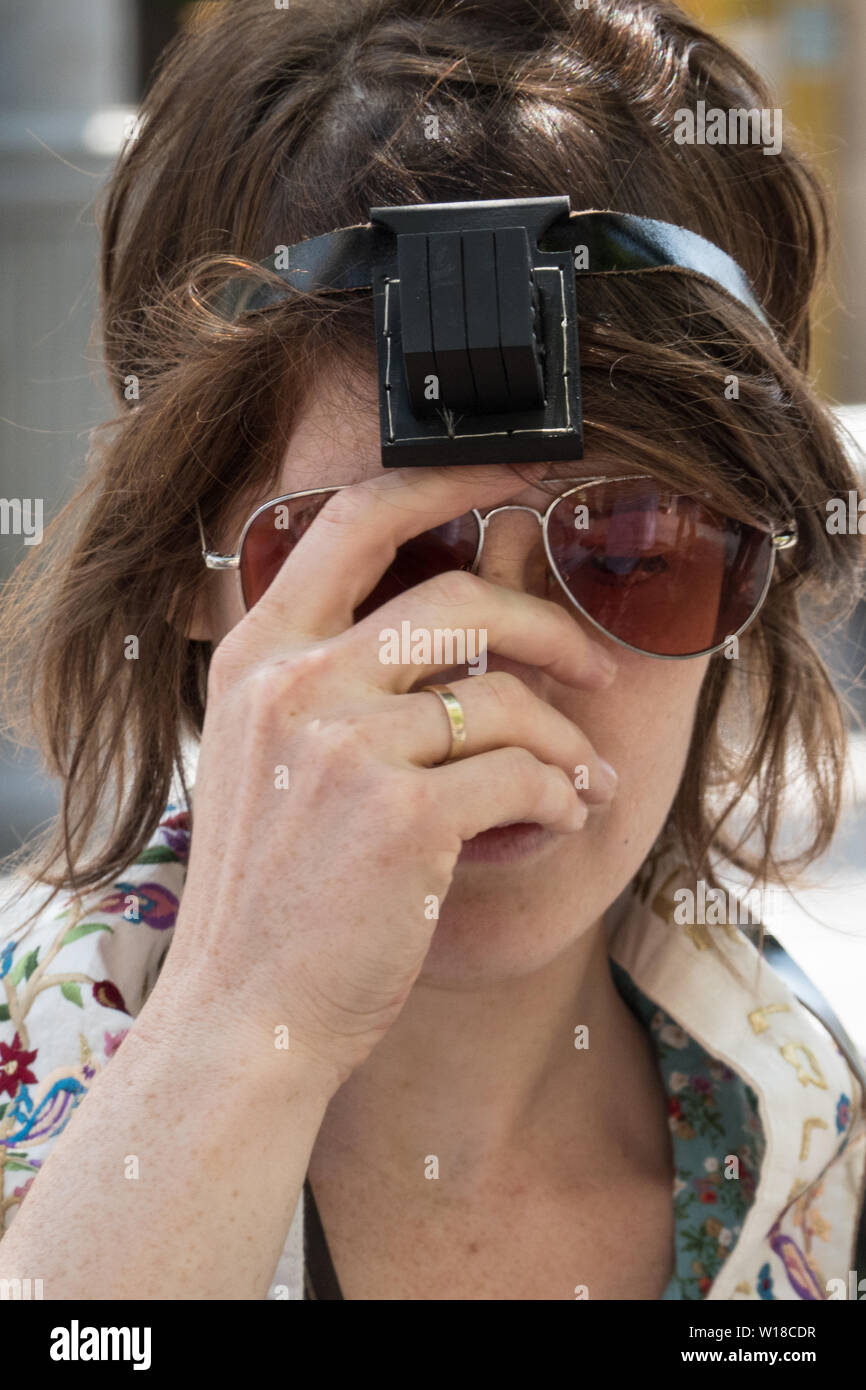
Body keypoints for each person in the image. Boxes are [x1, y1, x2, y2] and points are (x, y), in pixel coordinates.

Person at [0, 0, 863, 1301]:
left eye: (637, 548)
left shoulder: (812, 1134)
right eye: (385, 559)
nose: (491, 676)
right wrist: (237, 1040)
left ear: (752, 571)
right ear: (184, 563)